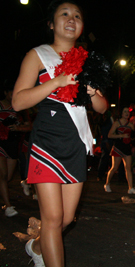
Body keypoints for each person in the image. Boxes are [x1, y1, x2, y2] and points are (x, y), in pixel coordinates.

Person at [12, 1, 108, 266]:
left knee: (65, 219)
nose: (71, 19)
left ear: (81, 26)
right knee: (52, 219)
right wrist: (57, 81)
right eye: (64, 14)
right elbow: (18, 102)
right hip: (47, 141)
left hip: (76, 143)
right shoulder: (38, 55)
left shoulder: (88, 61)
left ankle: (37, 246)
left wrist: (92, 93)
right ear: (51, 24)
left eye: (77, 15)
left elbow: (102, 107)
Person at [104, 107, 135, 195]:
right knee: (114, 167)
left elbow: (134, 136)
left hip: (127, 147)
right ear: (121, 113)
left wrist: (134, 132)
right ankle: (107, 184)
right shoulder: (117, 123)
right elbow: (109, 135)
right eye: (125, 111)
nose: (127, 113)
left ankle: (130, 188)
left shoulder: (130, 124)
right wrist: (121, 136)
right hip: (118, 147)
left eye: (128, 112)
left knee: (128, 168)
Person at [0, 87, 21, 217]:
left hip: (12, 142)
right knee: (2, 175)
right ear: (6, 92)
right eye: (12, 92)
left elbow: (27, 124)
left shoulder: (18, 106)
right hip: (0, 142)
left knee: (8, 177)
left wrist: (18, 127)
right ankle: (8, 206)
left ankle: (3, 197)